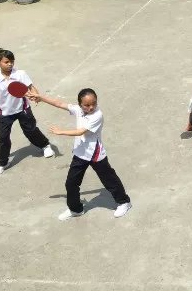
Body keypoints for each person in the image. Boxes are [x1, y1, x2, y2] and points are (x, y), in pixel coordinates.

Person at [29, 88, 132, 220]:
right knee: (71, 183)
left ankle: (124, 202)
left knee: (109, 180)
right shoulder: (78, 110)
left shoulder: (97, 115)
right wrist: (41, 98)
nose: (91, 107)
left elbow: (81, 132)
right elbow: (59, 103)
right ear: (80, 104)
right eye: (87, 105)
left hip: (95, 154)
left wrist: (61, 132)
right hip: (80, 153)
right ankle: (76, 209)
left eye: (94, 103)